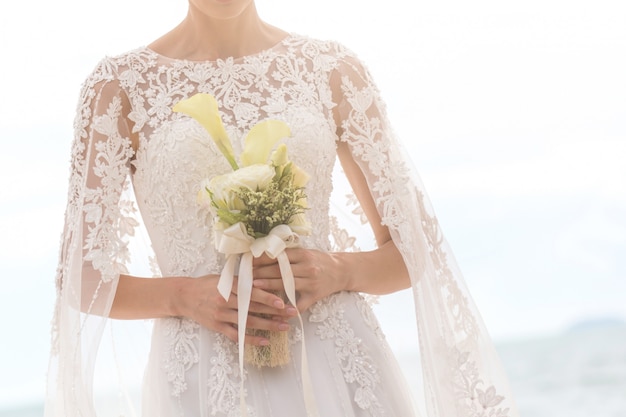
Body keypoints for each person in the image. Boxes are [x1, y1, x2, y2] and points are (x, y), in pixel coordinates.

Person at [45, 0, 519, 416]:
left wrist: (337, 270)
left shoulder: (331, 68)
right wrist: (183, 295)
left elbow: (412, 250)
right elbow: (79, 276)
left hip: (339, 364)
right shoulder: (119, 87)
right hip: (202, 375)